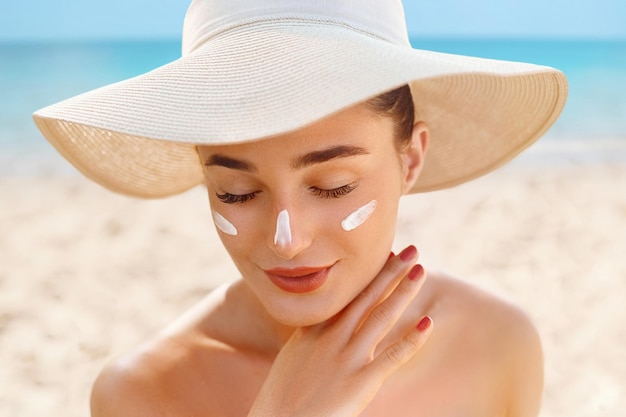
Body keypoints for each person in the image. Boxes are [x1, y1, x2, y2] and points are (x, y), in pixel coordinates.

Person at [33, 0, 568, 416]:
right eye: (236, 192)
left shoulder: (496, 343)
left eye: (334, 186)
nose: (286, 240)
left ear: (411, 159)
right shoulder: (144, 393)